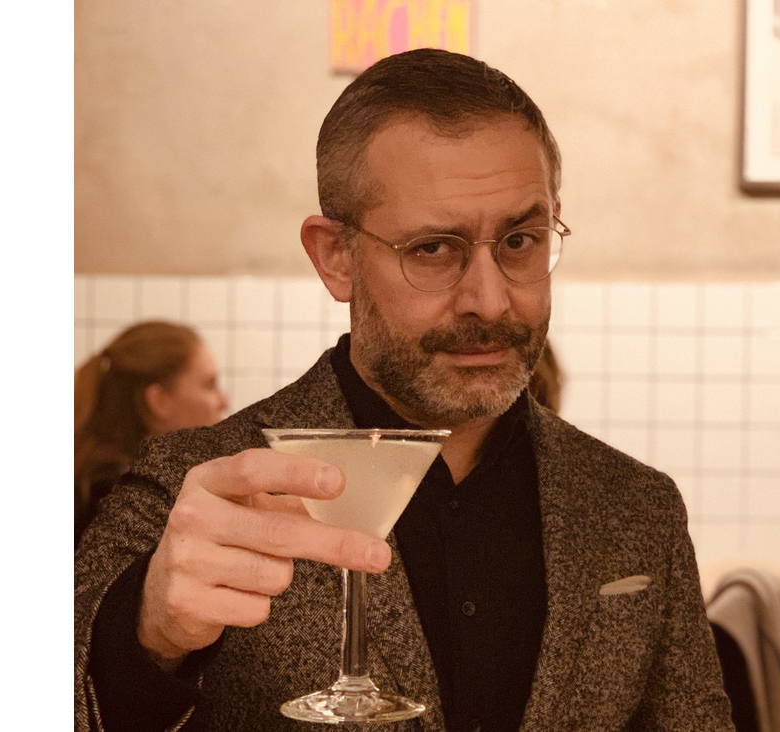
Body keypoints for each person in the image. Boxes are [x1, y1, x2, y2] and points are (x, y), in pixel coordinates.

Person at [75, 49, 734, 731]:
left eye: (520, 240)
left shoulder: (637, 508)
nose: (489, 300)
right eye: (433, 249)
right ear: (335, 257)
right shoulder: (199, 491)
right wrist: (146, 635)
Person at [75, 320, 228, 546]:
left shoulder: (96, 478)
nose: (224, 402)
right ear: (159, 401)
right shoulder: (126, 500)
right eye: (209, 384)